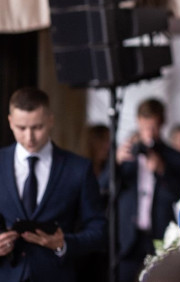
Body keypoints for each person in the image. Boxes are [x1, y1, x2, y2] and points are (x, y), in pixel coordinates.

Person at [0, 87, 107, 282]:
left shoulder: (78, 168)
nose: (29, 137)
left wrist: (63, 244)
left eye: (37, 127)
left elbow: (98, 230)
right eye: (21, 128)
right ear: (10, 122)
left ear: (51, 120)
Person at [106, 98, 180, 282]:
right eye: (145, 127)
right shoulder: (125, 152)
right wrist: (115, 162)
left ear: (162, 123)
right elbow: (102, 188)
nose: (149, 133)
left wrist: (162, 170)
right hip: (126, 240)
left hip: (160, 238)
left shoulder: (175, 157)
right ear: (137, 121)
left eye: (153, 127)